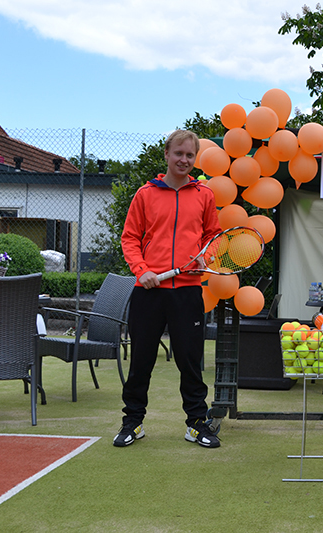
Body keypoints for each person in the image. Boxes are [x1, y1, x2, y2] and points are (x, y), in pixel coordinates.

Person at [114, 129, 222, 448]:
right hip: (149, 291)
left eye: (190, 155)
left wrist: (206, 255)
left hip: (188, 291)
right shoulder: (145, 194)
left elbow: (212, 236)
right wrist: (142, 270)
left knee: (190, 359)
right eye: (179, 153)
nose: (184, 160)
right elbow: (130, 238)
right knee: (142, 360)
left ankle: (196, 423)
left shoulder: (204, 195)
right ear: (167, 154)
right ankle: (133, 422)